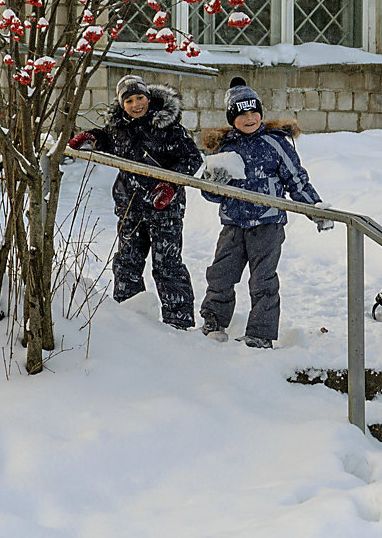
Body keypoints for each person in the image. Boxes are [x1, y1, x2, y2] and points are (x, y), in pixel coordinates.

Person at [198, 76, 332, 349]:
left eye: (254, 112)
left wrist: (315, 209)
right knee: (221, 274)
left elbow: (297, 181)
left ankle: (260, 333)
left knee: (263, 280)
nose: (249, 118)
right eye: (242, 114)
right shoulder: (225, 148)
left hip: (268, 225)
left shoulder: (276, 144)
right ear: (231, 118)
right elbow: (209, 192)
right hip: (234, 224)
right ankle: (213, 322)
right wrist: (217, 184)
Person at [68, 75, 204, 330]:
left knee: (167, 264)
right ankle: (129, 319)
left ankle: (179, 322)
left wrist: (170, 185)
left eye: (139, 97)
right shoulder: (119, 126)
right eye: (129, 100)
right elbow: (108, 141)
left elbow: (191, 159)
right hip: (130, 205)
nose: (136, 104)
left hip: (165, 207)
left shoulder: (167, 126)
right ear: (122, 104)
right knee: (127, 262)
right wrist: (91, 138)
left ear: (148, 98)